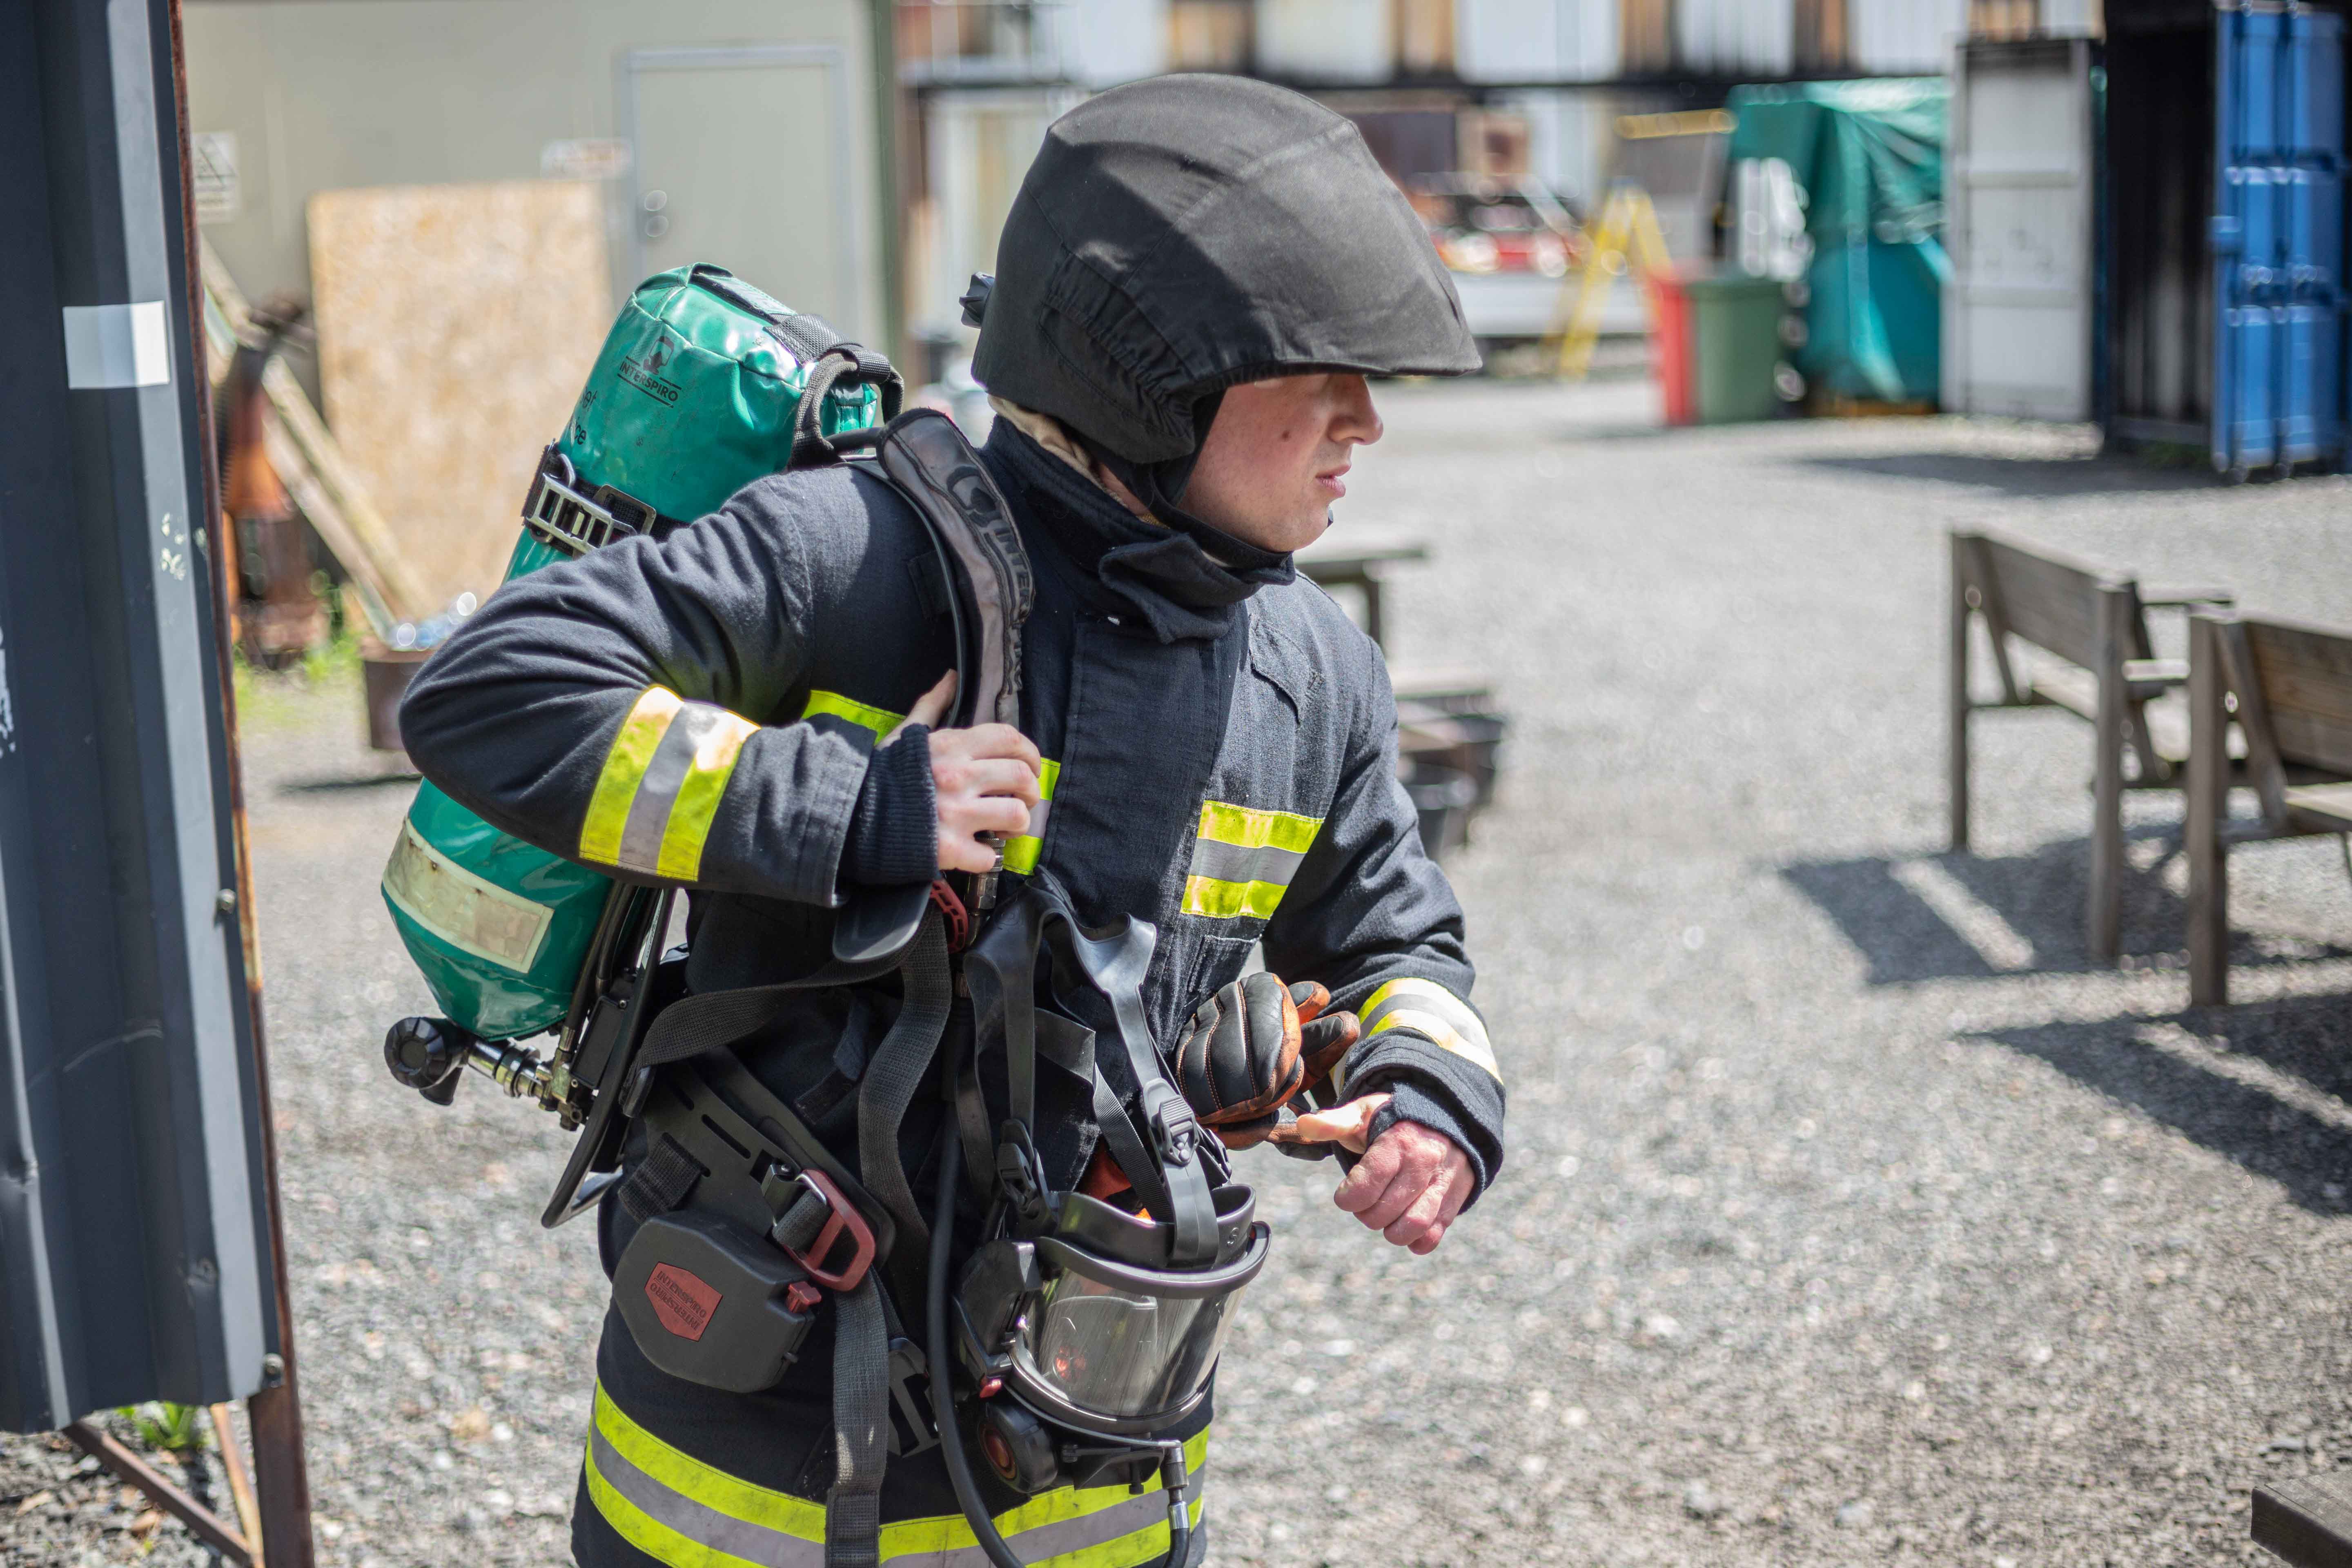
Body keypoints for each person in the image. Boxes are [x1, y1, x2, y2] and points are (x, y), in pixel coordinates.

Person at [399, 71, 1506, 1568]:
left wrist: (1433, 1100)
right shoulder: (851, 560)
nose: (1362, 420)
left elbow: (1404, 943)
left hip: (1096, 1487)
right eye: (1316, 370)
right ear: (1154, 373)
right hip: (746, 1486)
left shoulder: (1311, 673)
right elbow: (485, 694)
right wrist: (848, 804)